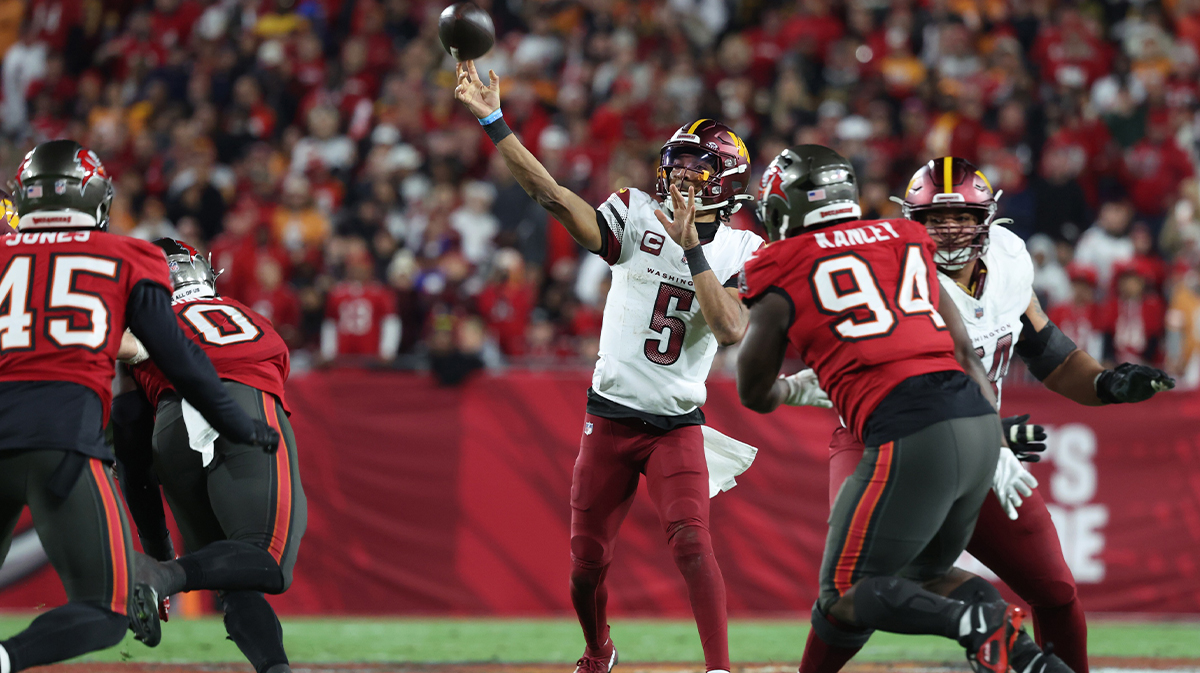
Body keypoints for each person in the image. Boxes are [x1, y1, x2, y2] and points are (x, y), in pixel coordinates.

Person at [454, 61, 826, 673]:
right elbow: (552, 196)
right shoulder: (634, 213)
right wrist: (492, 121)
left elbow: (733, 329)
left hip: (676, 425)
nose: (680, 175)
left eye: (695, 168)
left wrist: (693, 249)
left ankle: (718, 670)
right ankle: (598, 650)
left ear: (724, 183)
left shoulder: (744, 249)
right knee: (584, 568)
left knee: (692, 542)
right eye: (676, 163)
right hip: (609, 418)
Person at [797, 157, 1176, 673]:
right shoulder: (888, 274)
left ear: (989, 219)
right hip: (882, 439)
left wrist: (1105, 384)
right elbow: (903, 387)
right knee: (856, 589)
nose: (950, 230)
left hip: (976, 449)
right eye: (935, 218)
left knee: (1056, 589)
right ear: (911, 220)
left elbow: (1049, 351)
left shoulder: (1008, 257)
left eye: (963, 217)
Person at [737, 145, 1072, 673]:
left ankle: (976, 626)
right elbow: (963, 352)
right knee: (923, 576)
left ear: (785, 208)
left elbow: (752, 391)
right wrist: (995, 438)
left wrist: (793, 389)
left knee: (844, 592)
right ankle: (1018, 651)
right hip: (977, 423)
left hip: (908, 430)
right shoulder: (904, 238)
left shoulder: (777, 264)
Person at [0, 139, 278, 672]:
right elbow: (179, 356)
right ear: (97, 198)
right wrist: (233, 421)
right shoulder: (128, 255)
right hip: (62, 442)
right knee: (103, 610)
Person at [113, 238, 304, 673]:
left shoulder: (142, 326)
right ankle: (164, 576)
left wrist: (157, 550)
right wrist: (162, 573)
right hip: (241, 407)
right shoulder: (244, 312)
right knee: (268, 563)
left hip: (171, 429)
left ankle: (275, 668)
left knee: (233, 577)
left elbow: (127, 430)